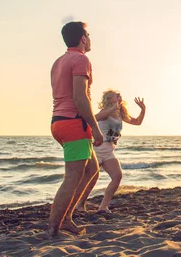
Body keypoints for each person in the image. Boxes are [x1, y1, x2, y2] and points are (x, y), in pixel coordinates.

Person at [48, 21, 104, 238]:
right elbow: (80, 97)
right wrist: (95, 128)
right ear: (83, 38)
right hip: (74, 123)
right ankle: (54, 228)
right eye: (88, 35)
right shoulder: (81, 59)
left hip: (59, 122)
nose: (89, 38)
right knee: (72, 176)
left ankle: (67, 218)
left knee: (92, 170)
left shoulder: (59, 61)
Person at [77, 90, 146, 213]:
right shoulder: (105, 113)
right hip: (96, 150)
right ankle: (80, 205)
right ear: (109, 99)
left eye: (120, 95)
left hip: (109, 151)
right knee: (91, 179)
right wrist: (112, 108)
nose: (120, 96)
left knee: (117, 176)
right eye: (117, 95)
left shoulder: (120, 114)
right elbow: (93, 119)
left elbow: (137, 122)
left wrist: (143, 109)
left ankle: (103, 206)